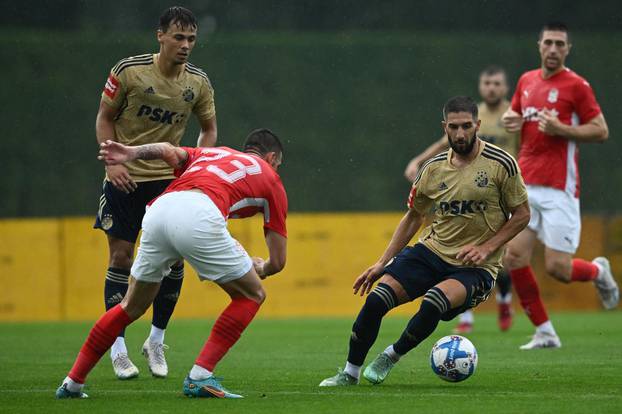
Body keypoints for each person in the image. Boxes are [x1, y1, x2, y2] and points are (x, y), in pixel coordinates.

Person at [57, 129, 288, 399]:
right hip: (199, 213)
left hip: (159, 210)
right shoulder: (272, 179)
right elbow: (278, 261)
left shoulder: (213, 153)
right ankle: (200, 377)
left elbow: (167, 149)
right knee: (252, 294)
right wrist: (261, 267)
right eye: (278, 163)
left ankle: (72, 383)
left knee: (130, 305)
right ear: (271, 158)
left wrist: (131, 153)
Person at [319, 96, 530, 387]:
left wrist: (486, 248)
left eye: (467, 126)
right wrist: (383, 262)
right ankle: (350, 373)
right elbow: (413, 216)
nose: (460, 134)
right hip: (431, 251)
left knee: (433, 302)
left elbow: (522, 215)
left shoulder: (501, 163)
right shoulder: (432, 169)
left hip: (475, 267)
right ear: (444, 127)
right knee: (376, 300)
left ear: (477, 125)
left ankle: (391, 356)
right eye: (454, 127)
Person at [93, 6, 217, 379]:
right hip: (125, 178)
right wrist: (112, 163)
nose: (185, 45)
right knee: (121, 258)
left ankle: (156, 340)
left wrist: (197, 167)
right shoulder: (128, 71)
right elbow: (104, 117)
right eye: (178, 37)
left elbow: (208, 130)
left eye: (191, 39)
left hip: (169, 182)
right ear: (159, 36)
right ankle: (117, 348)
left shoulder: (198, 82)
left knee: (174, 261)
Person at [502, 22, 619, 350]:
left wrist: (562, 128)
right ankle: (545, 332)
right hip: (525, 185)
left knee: (558, 268)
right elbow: (515, 116)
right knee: (514, 257)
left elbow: (601, 130)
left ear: (567, 49)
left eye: (560, 44)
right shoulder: (526, 80)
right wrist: (512, 120)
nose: (553, 49)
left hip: (559, 188)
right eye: (548, 43)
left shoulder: (577, 86)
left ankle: (597, 271)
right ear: (539, 45)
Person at [405, 66, 519, 334]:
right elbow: (445, 143)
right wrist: (419, 160)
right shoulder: (467, 115)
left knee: (505, 255)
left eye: (497, 83)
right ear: (481, 86)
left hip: (502, 191)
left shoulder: (514, 115)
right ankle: (465, 316)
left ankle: (504, 299)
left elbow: (526, 147)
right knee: (461, 249)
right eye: (487, 82)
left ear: (505, 87)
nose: (491, 87)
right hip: (468, 188)